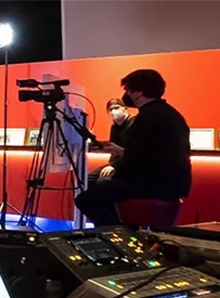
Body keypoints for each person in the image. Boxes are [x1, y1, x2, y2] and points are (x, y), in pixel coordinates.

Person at [75, 69, 191, 226]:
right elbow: (149, 153)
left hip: (158, 184)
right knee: (105, 186)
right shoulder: (170, 113)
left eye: (128, 90)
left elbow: (135, 160)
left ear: (138, 92)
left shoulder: (146, 117)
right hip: (172, 183)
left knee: (85, 199)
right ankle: (125, 231)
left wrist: (116, 169)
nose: (127, 95)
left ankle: (119, 235)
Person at [86, 98, 136, 187]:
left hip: (129, 164)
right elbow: (112, 147)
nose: (113, 111)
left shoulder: (135, 124)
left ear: (124, 108)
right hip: (115, 163)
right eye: (110, 109)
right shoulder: (115, 127)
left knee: (103, 182)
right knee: (88, 178)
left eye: (116, 108)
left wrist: (114, 166)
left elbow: (133, 153)